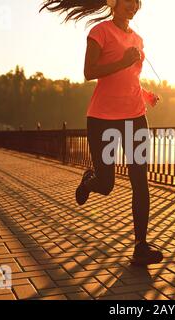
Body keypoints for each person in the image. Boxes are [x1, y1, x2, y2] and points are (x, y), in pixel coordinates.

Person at [40, 0, 163, 266]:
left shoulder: (138, 39)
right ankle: (89, 181)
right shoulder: (100, 32)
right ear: (114, 3)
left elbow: (131, 78)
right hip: (103, 119)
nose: (134, 6)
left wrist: (146, 95)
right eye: (129, 1)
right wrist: (122, 61)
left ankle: (141, 246)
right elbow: (89, 72)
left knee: (140, 180)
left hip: (135, 118)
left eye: (137, 2)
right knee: (106, 185)